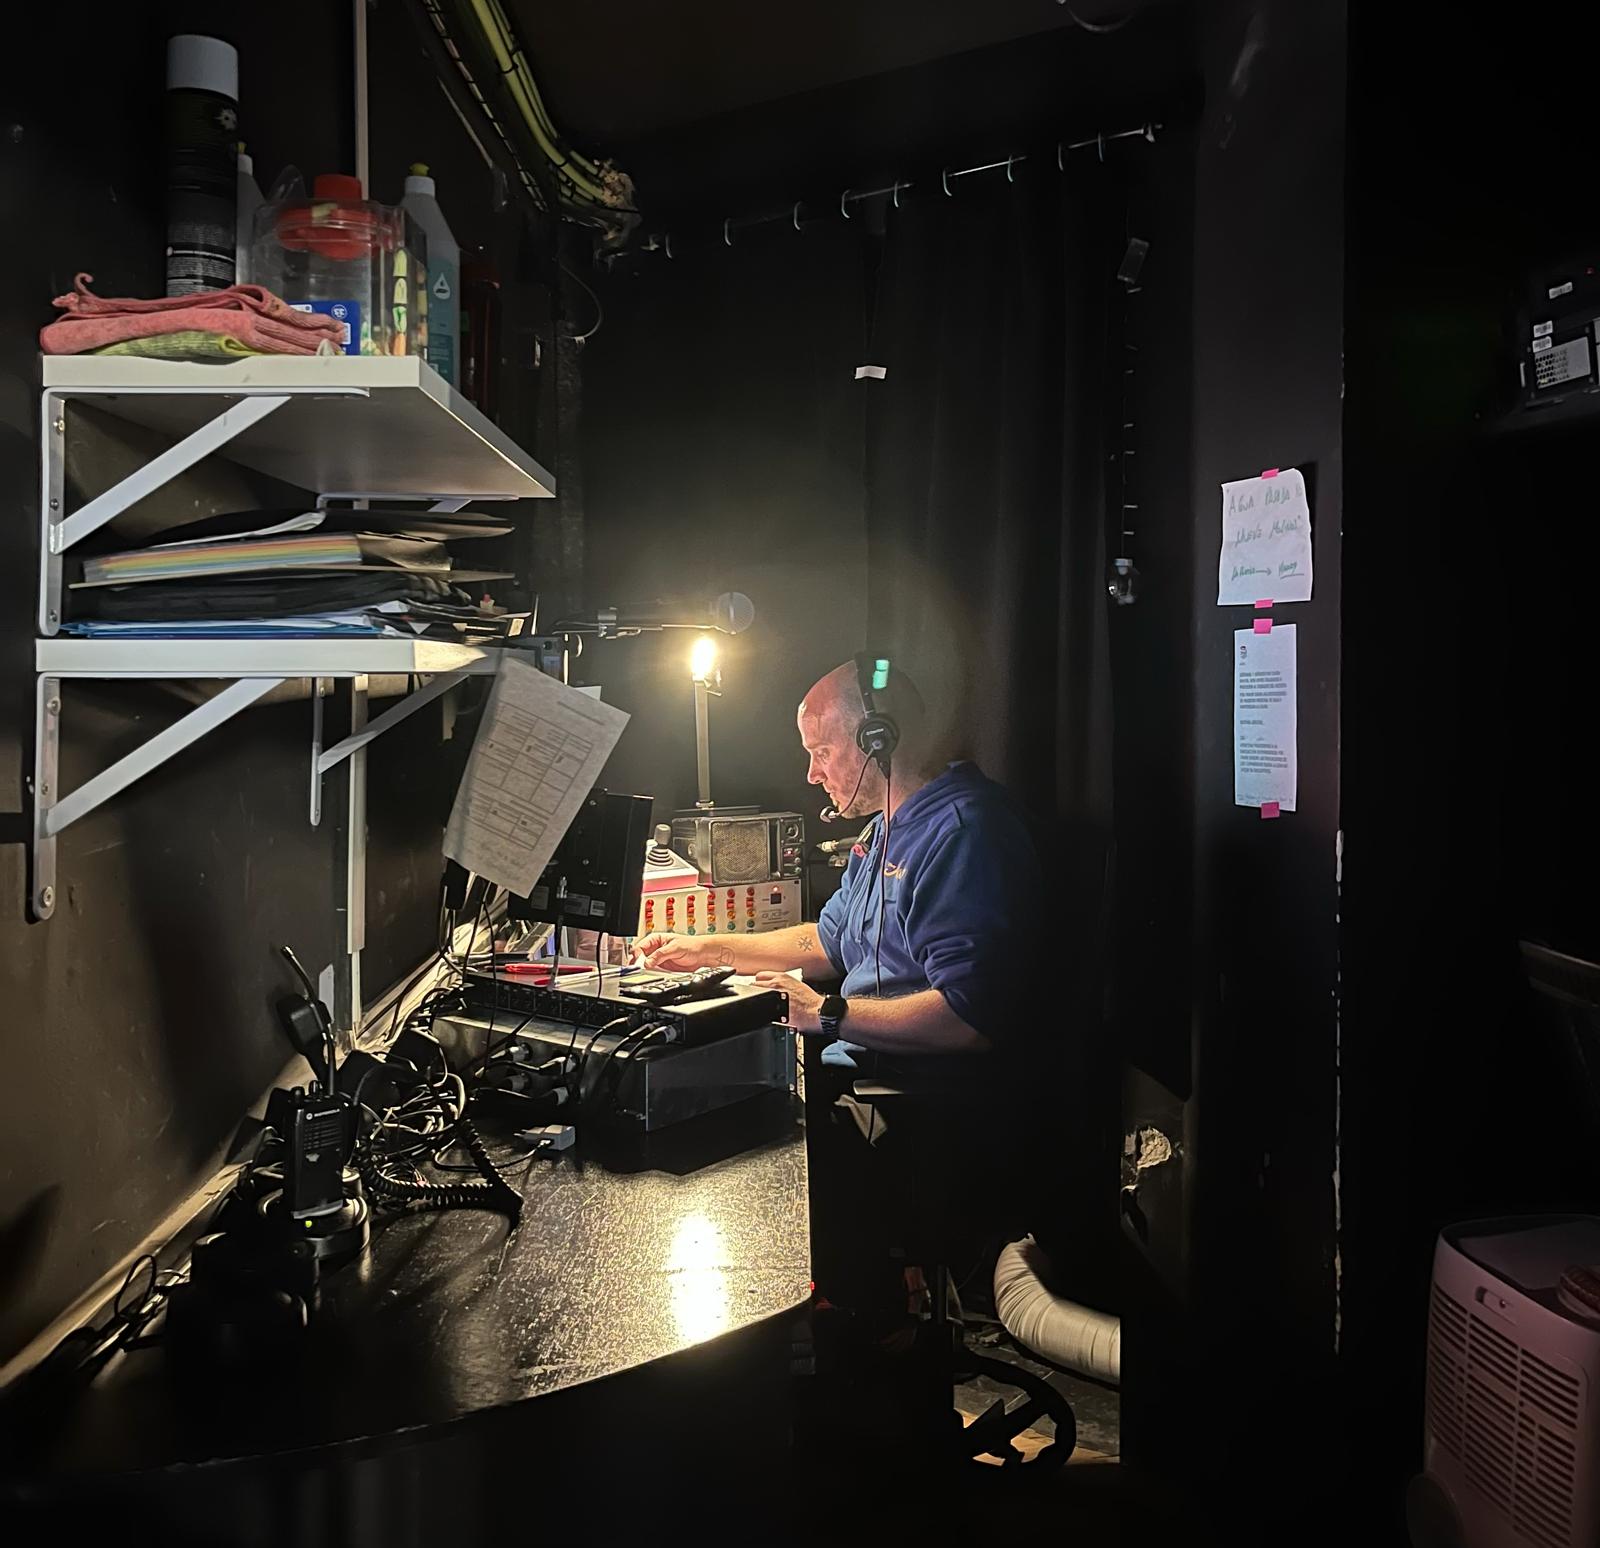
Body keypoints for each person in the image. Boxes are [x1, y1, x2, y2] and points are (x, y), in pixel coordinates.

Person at [632, 658, 1041, 1324]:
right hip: (866, 1089)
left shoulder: (965, 834)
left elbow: (968, 1019)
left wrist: (826, 1014)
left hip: (921, 1114)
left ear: (878, 739)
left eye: (822, 751)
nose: (812, 773)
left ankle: (855, 1345)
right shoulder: (888, 828)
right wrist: (708, 948)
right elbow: (825, 944)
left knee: (733, 1161)